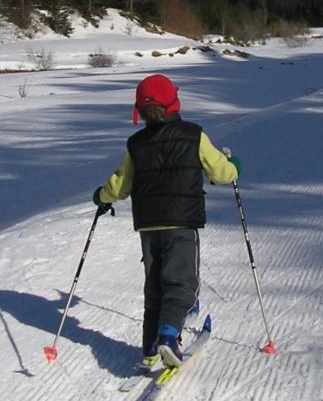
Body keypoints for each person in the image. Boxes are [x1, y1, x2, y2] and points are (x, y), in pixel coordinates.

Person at [93, 73, 239, 371]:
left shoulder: (136, 144)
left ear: (141, 111)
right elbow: (221, 173)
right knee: (182, 282)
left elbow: (119, 185)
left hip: (148, 225)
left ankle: (149, 347)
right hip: (181, 222)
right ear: (174, 102)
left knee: (155, 284)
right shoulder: (193, 135)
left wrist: (102, 196)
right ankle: (169, 336)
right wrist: (233, 165)